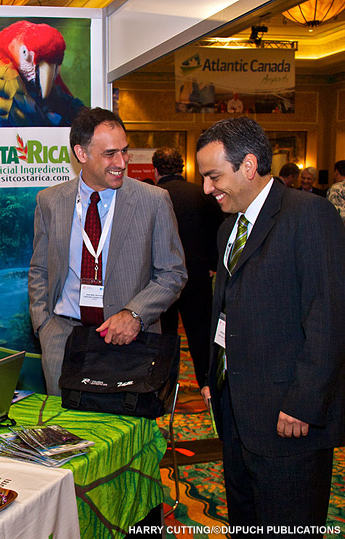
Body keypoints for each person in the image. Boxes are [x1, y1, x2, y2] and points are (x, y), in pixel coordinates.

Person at [196, 117, 345, 537]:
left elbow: (330, 317)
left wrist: (304, 402)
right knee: (246, 518)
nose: (207, 188)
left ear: (247, 165)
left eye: (213, 176)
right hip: (236, 409)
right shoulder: (230, 225)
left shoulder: (309, 215)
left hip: (288, 414)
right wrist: (214, 374)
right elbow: (226, 307)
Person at [28, 107, 187, 395]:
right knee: (67, 433)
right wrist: (44, 325)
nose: (122, 162)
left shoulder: (153, 201)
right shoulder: (50, 201)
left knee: (122, 432)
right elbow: (39, 268)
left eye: (125, 151)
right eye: (110, 154)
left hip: (129, 342)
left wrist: (135, 315)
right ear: (81, 153)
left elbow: (172, 273)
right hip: (64, 339)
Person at [152, 147, 224, 387]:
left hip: (160, 278)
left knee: (166, 335)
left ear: (155, 169)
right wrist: (212, 264)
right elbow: (219, 229)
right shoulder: (201, 193)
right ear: (182, 167)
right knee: (201, 334)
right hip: (197, 274)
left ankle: (166, 386)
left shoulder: (153, 194)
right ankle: (207, 384)